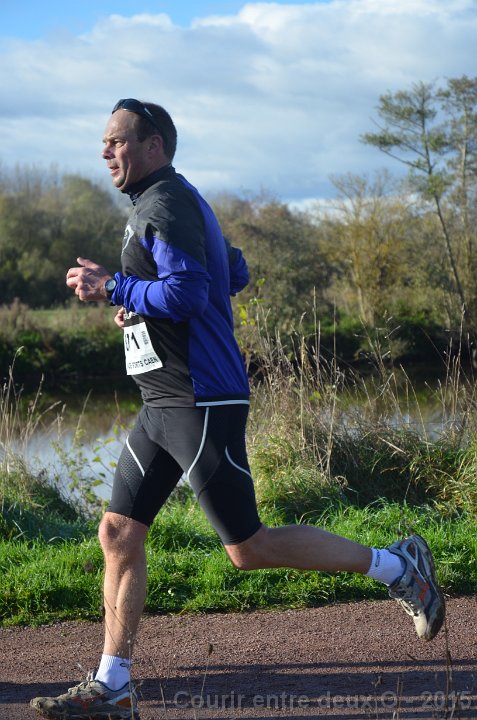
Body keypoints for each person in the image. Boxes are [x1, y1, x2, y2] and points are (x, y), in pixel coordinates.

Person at [30, 99, 445, 720]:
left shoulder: (166, 202)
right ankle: (114, 684)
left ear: (153, 145)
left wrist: (115, 286)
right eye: (105, 141)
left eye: (117, 140)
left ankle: (396, 566)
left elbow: (190, 293)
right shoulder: (162, 203)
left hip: (202, 398)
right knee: (118, 532)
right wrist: (140, 303)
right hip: (162, 400)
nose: (105, 151)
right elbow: (234, 271)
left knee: (247, 547)